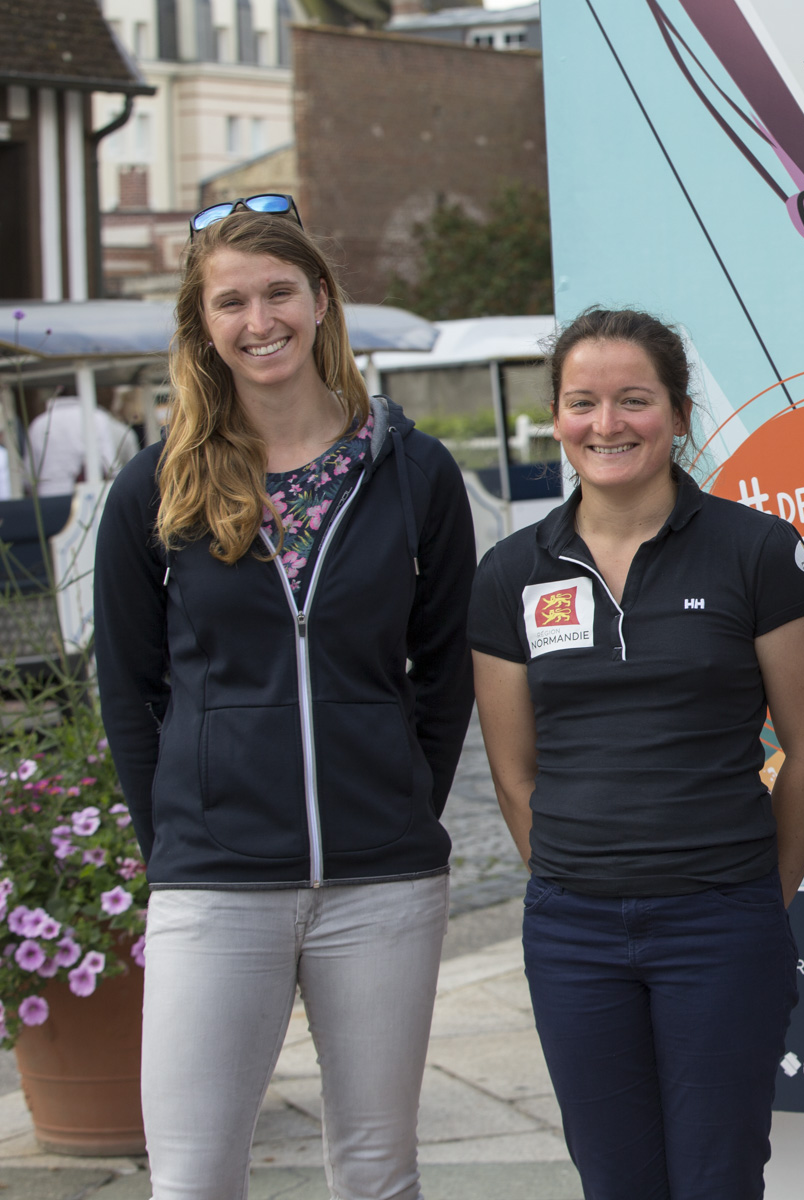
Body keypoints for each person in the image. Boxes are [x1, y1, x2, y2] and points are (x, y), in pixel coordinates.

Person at [93, 197, 476, 1199]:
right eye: (231, 302)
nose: (258, 320)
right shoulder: (154, 491)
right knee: (193, 1178)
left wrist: (397, 801)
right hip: (215, 884)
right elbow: (129, 694)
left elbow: (442, 673)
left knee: (379, 1172)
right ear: (202, 324)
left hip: (381, 884)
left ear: (319, 301)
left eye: (278, 293)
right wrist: (180, 836)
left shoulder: (413, 473)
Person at [467, 307, 804, 1200]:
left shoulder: (757, 552)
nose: (608, 425)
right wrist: (576, 869)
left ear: (677, 414)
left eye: (634, 401)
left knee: (717, 1177)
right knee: (614, 1179)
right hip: (573, 932)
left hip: (719, 923)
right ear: (556, 419)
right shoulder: (513, 573)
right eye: (583, 403)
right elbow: (514, 773)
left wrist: (757, 892)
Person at [26, 389, 138, 495]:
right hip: (89, 497)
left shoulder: (38, 424)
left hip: (49, 499)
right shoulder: (96, 417)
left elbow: (28, 476)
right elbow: (109, 466)